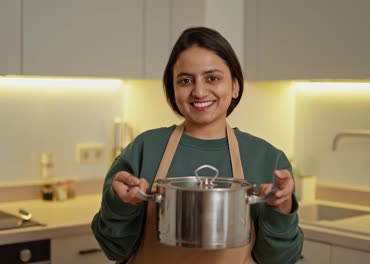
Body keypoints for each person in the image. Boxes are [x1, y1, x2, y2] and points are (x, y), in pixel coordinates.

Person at [91, 26, 304, 264]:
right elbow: (114, 249)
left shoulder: (267, 159)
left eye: (212, 78)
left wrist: (282, 208)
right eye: (185, 80)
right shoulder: (144, 149)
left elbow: (281, 260)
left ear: (235, 85)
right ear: (173, 89)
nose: (199, 91)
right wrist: (119, 203)